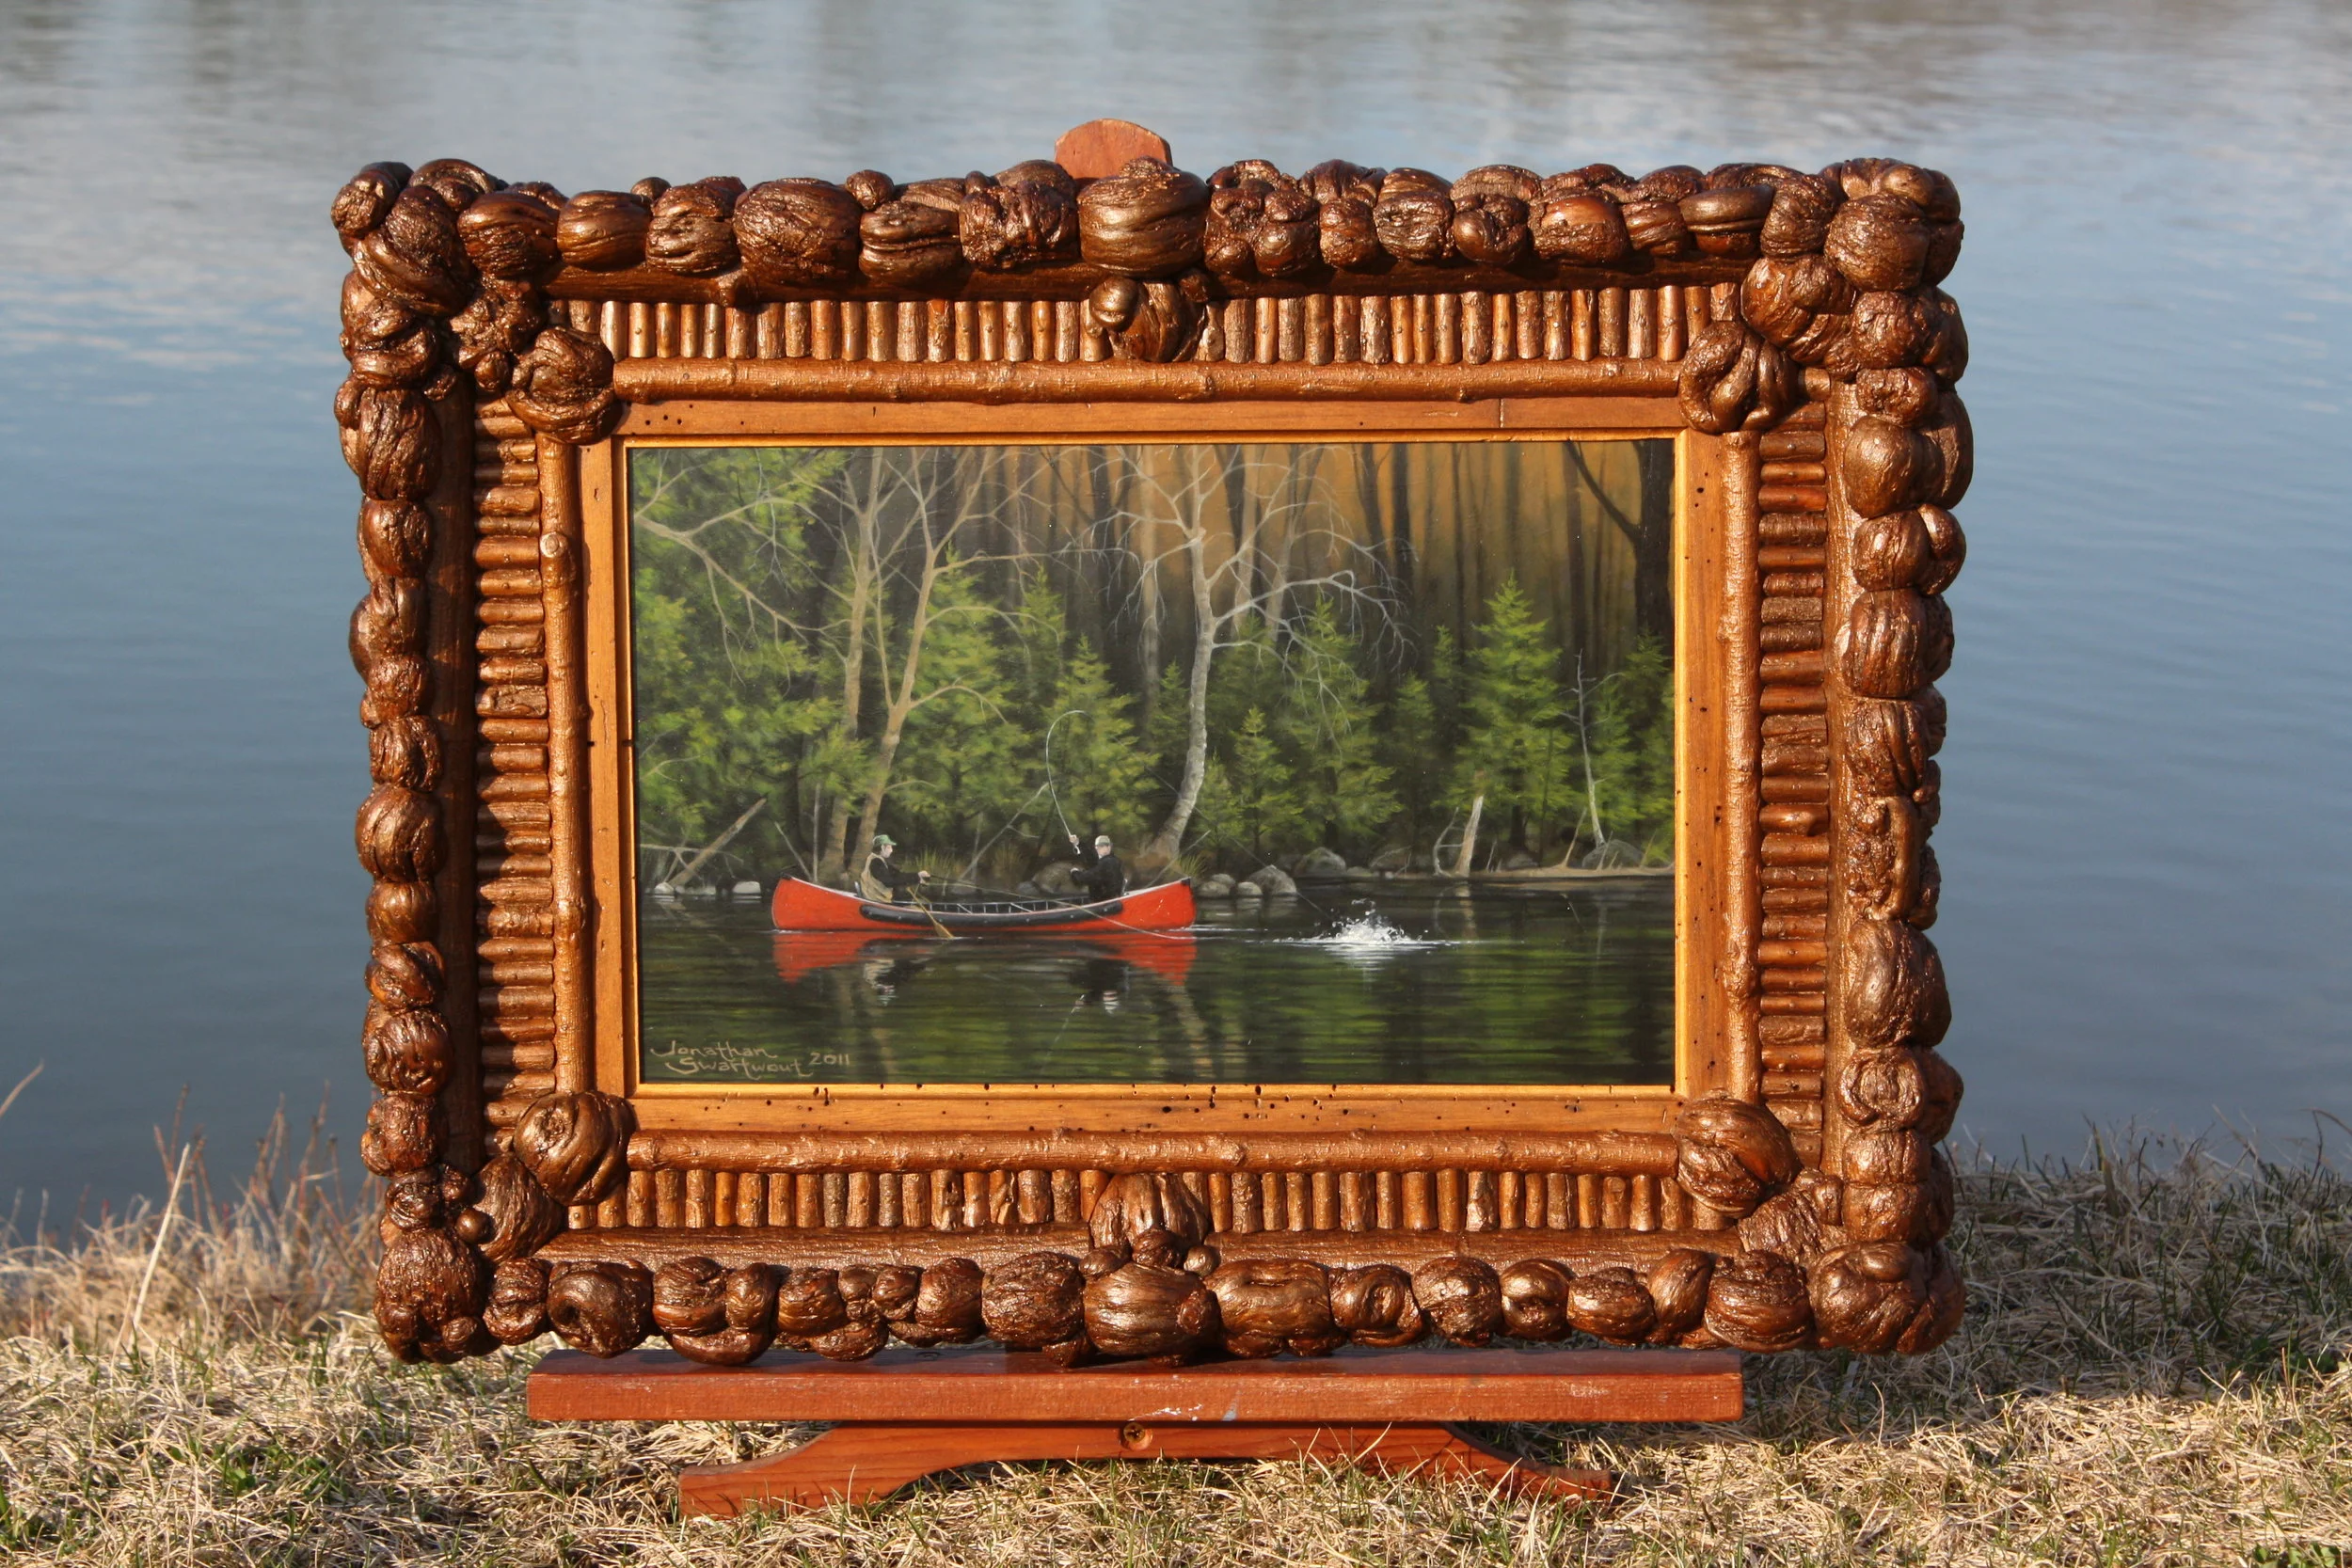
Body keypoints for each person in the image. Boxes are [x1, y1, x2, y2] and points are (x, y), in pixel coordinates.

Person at [860, 834, 929, 904]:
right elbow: (889, 882)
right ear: (882, 847)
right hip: (876, 899)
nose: (891, 851)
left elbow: (897, 874)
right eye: (889, 847)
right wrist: (916, 877)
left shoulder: (878, 860)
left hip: (877, 898)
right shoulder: (876, 862)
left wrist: (917, 876)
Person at [1067, 832, 1125, 902]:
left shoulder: (1107, 863)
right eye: (1097, 846)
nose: (1098, 848)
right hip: (1109, 900)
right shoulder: (1112, 860)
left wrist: (1075, 873)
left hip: (1106, 903)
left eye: (1102, 846)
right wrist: (1077, 843)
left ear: (1109, 847)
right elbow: (1091, 858)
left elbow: (1088, 877)